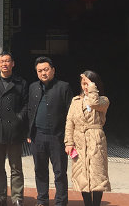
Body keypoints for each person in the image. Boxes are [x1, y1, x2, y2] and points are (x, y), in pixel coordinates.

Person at [27, 56, 73, 206]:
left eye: (46, 69)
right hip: (38, 136)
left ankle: (61, 202)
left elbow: (71, 114)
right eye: (40, 71)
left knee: (59, 172)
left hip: (57, 137)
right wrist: (29, 133)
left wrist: (69, 138)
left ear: (53, 70)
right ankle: (42, 200)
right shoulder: (33, 87)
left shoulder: (63, 87)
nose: (43, 73)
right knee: (40, 170)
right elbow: (30, 110)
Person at [0, 51, 29, 206]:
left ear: (13, 63)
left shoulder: (21, 83)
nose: (5, 64)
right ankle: (0, 196)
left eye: (7, 61)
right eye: (2, 61)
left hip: (15, 131)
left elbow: (26, 105)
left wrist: (19, 118)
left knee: (16, 168)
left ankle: (17, 198)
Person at [64, 71, 111, 206]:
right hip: (79, 140)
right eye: (83, 84)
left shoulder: (103, 100)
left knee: (97, 174)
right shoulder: (75, 101)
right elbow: (70, 122)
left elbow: (94, 103)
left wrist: (91, 88)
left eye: (88, 84)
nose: (85, 87)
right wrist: (69, 142)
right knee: (82, 175)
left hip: (96, 140)